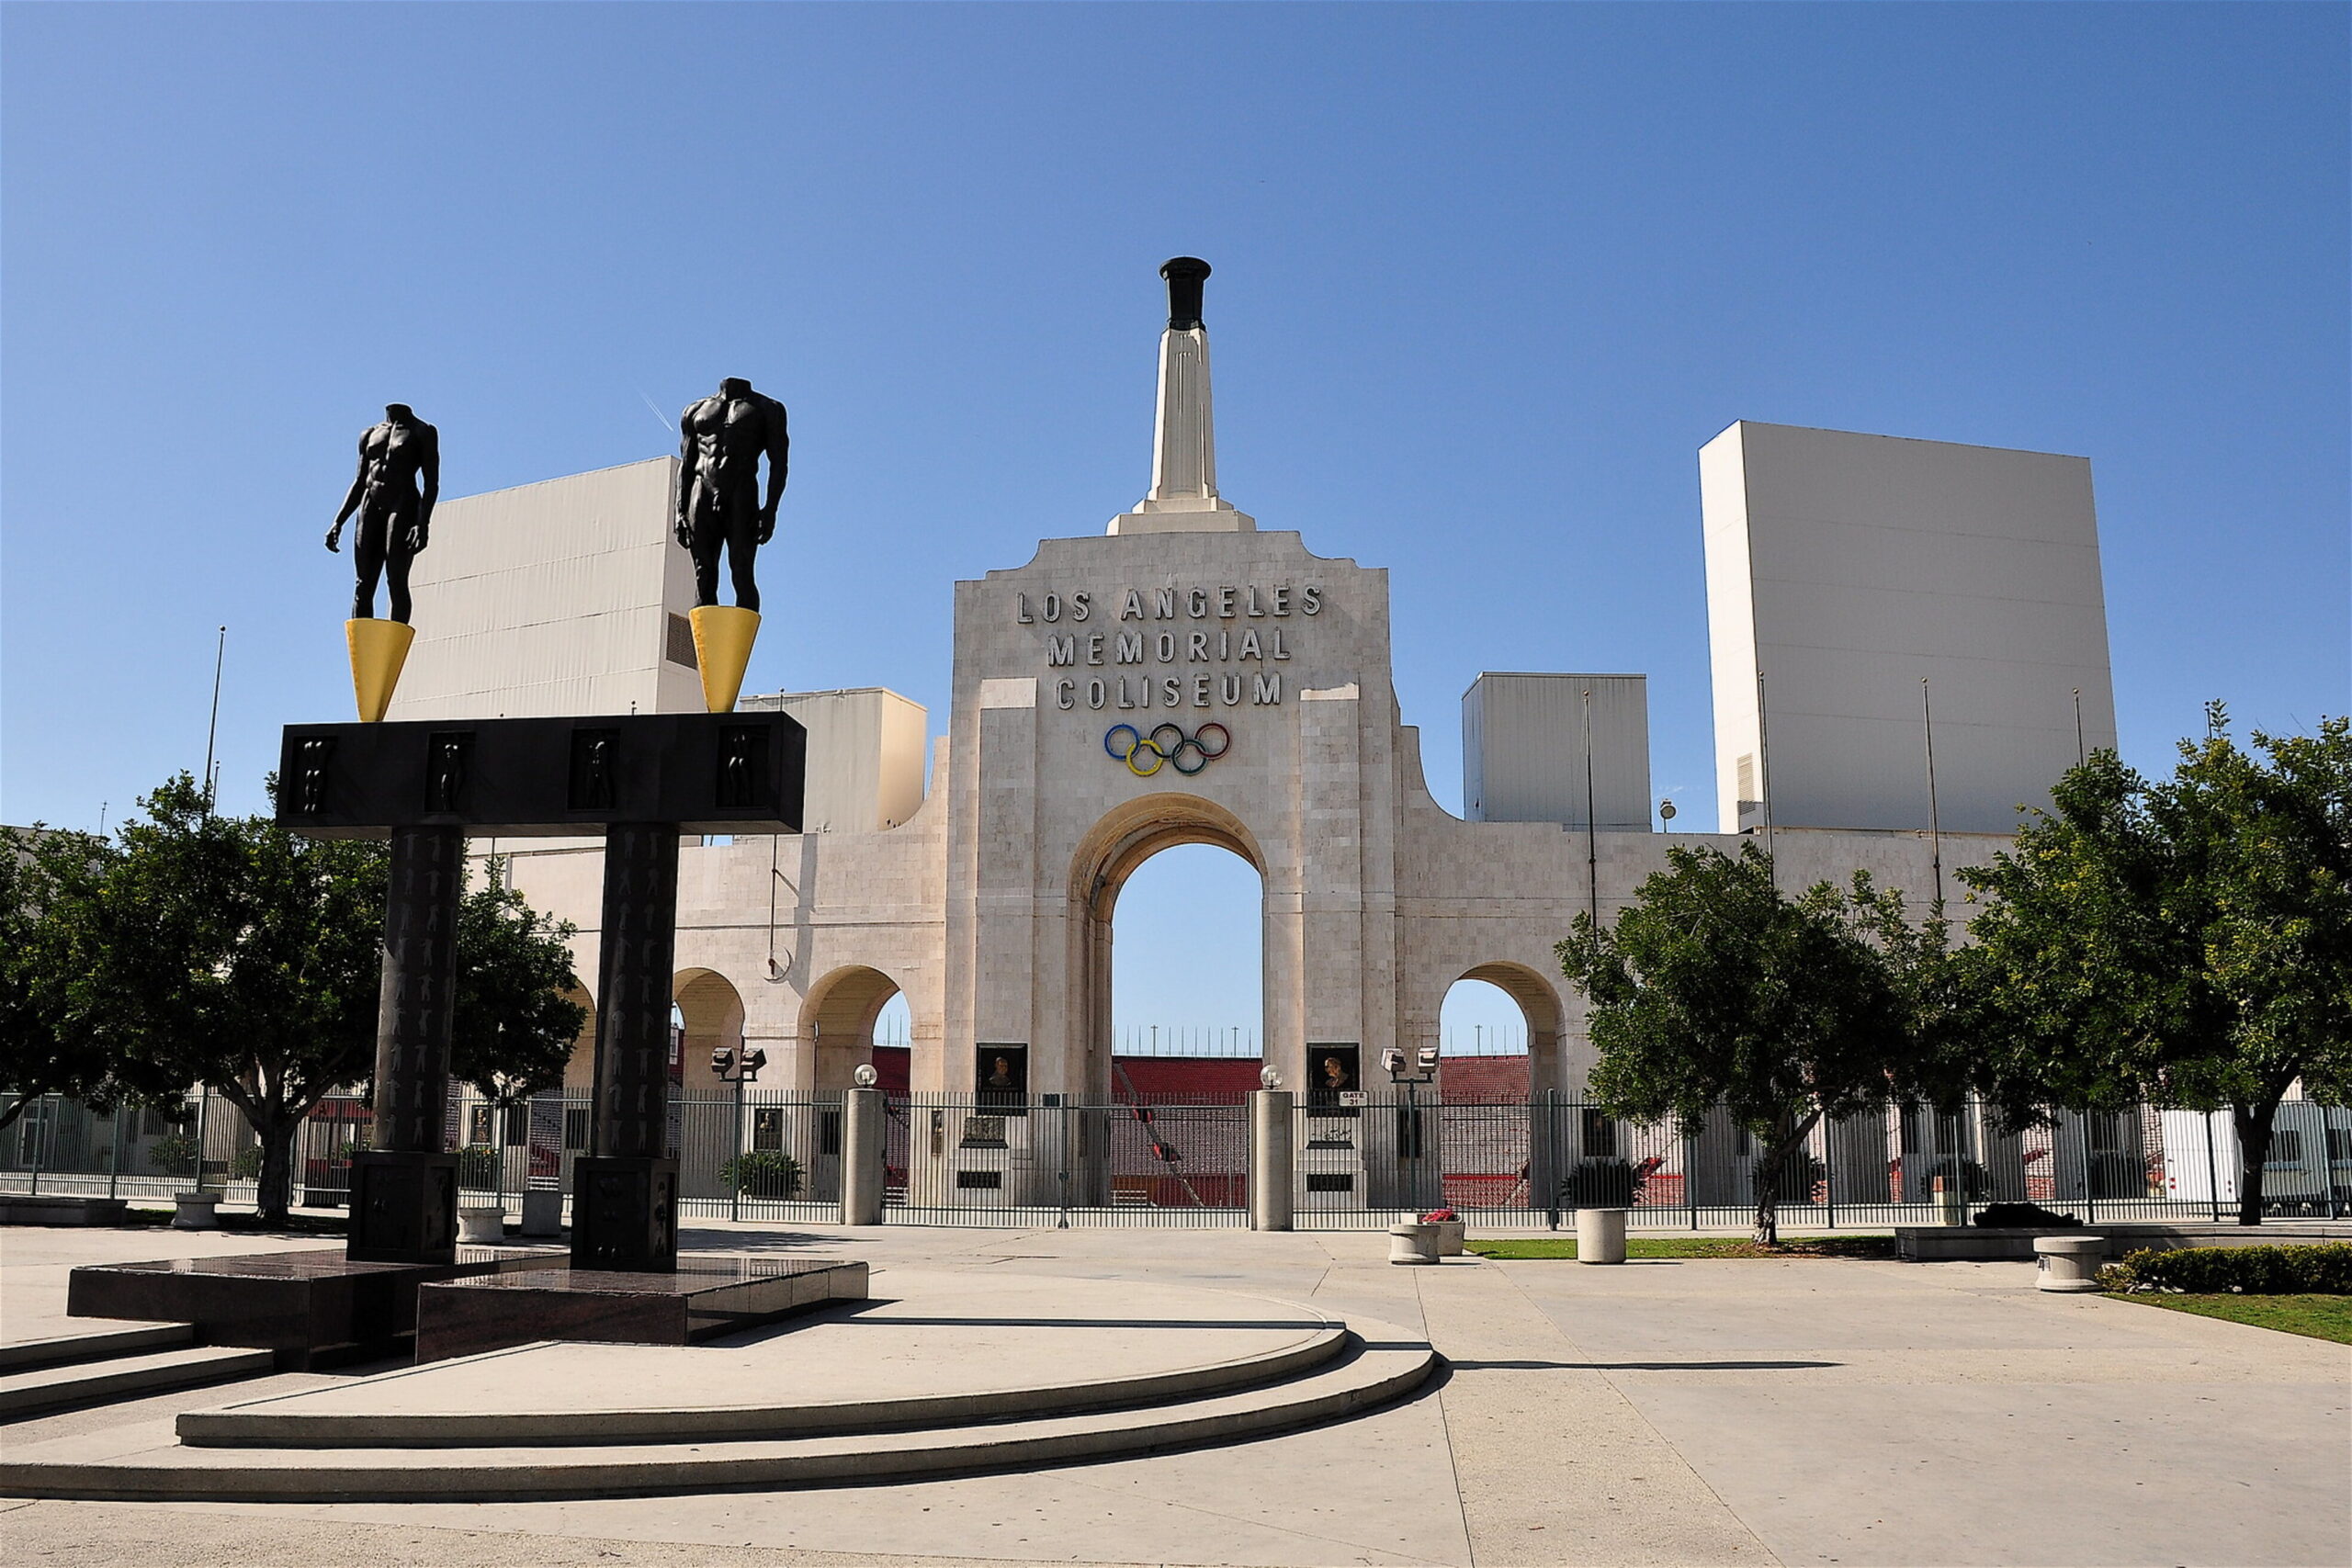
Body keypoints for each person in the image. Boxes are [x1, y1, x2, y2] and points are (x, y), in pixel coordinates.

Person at [675, 378, 789, 612]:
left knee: (742, 571)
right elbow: (687, 463)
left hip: (741, 491)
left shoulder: (768, 409)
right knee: (703, 575)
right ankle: (706, 636)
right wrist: (679, 511)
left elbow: (779, 463)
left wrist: (770, 510)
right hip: (701, 490)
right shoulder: (695, 410)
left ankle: (742, 636)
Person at [326, 404, 439, 623]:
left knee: (396, 579)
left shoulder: (422, 431)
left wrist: (422, 523)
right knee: (363, 583)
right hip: (370, 503)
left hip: (402, 503)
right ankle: (361, 642)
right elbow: (360, 481)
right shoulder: (369, 433)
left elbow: (431, 483)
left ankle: (395, 641)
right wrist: (338, 521)